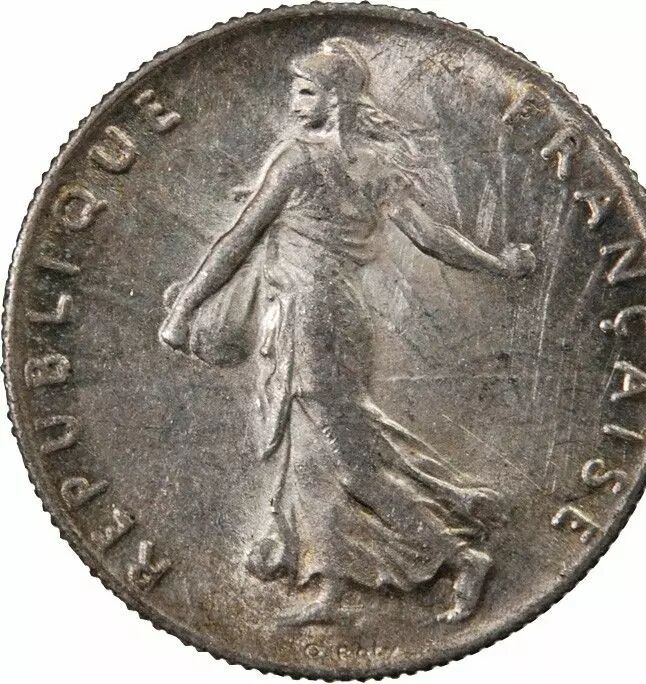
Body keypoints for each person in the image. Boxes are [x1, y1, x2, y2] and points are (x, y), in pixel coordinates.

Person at [159, 37, 535, 625]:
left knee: (345, 460)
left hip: (304, 318)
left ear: (335, 98)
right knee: (314, 461)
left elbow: (237, 238)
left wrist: (184, 308)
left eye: (304, 90)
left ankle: (458, 556)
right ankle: (330, 588)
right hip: (342, 319)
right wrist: (498, 265)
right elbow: (432, 236)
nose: (292, 101)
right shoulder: (373, 166)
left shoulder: (296, 160)